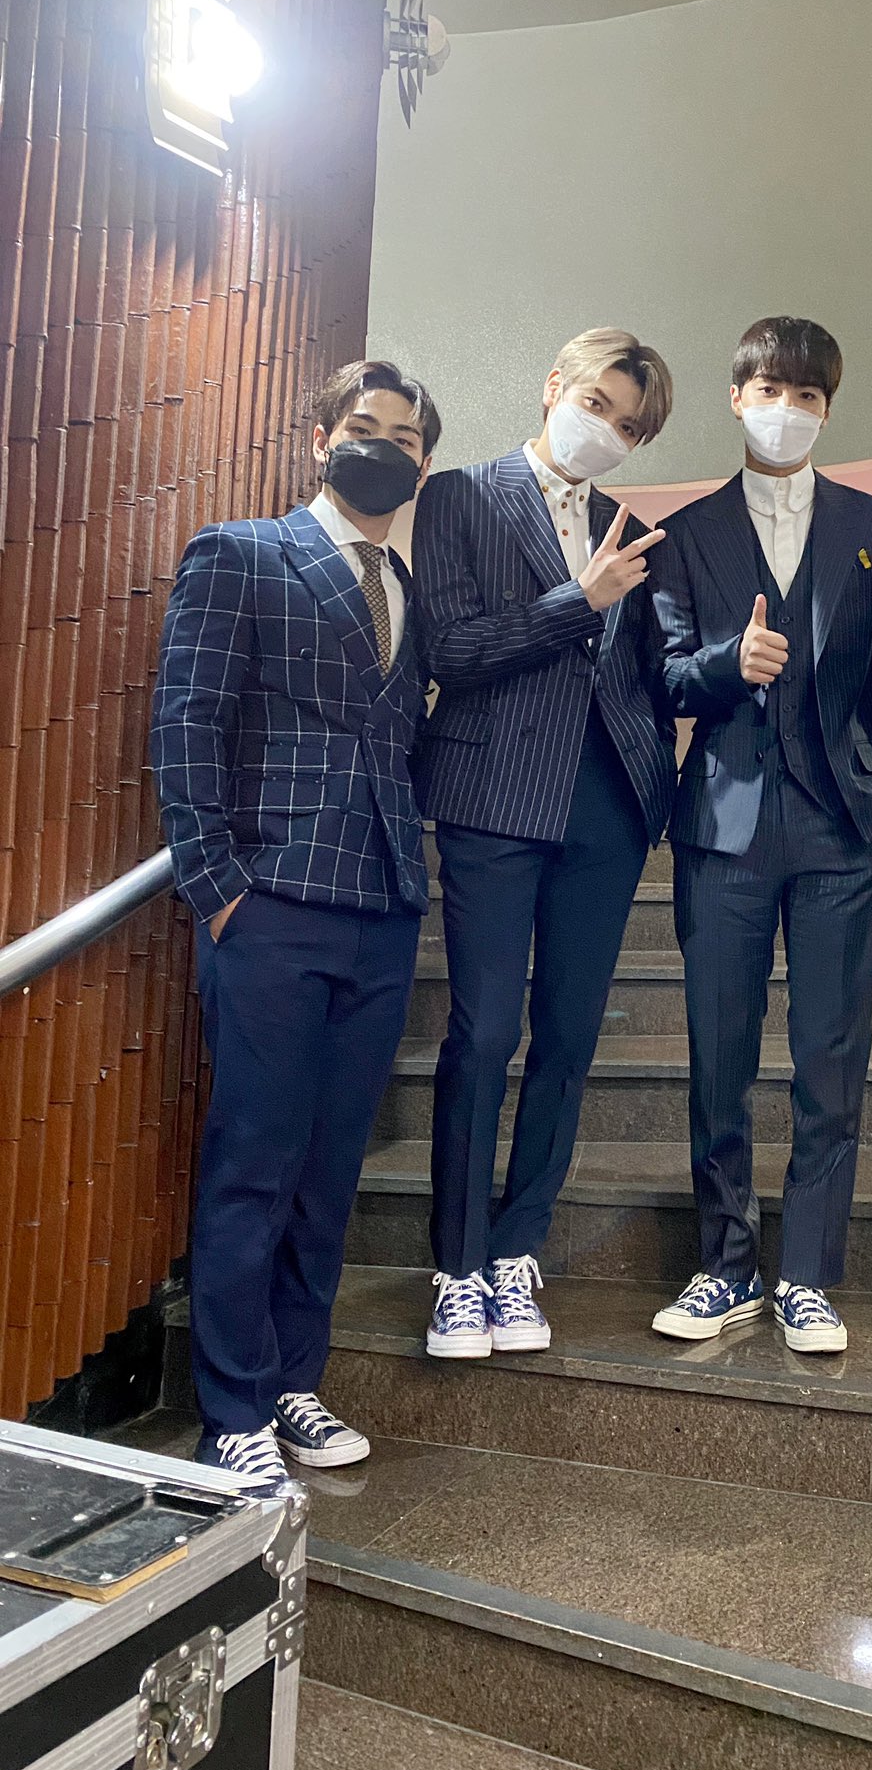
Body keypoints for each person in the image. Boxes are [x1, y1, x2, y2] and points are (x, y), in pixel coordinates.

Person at [151, 358, 440, 1493]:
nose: (383, 447)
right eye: (364, 426)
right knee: (255, 1162)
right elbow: (187, 721)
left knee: (329, 1171)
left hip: (382, 905)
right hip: (268, 903)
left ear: (423, 462)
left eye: (405, 437)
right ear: (321, 439)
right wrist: (217, 885)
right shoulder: (243, 552)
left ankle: (291, 1383)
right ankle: (231, 1409)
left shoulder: (408, 586)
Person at [649, 317, 872, 1351]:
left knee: (830, 1057)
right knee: (720, 1056)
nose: (788, 408)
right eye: (771, 388)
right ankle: (725, 1266)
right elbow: (664, 675)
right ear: (737, 396)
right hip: (725, 821)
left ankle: (807, 1272)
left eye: (808, 394)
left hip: (844, 827)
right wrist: (726, 665)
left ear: (827, 409)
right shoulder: (686, 531)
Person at [412, 328, 677, 1358]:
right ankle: (458, 1266)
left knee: (568, 1038)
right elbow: (451, 649)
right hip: (491, 795)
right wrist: (579, 600)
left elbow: (643, 674)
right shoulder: (461, 497)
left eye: (630, 426)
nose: (607, 430)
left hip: (603, 807)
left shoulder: (628, 528)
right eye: (598, 404)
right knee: (483, 1033)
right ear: (555, 385)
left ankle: (518, 1252)